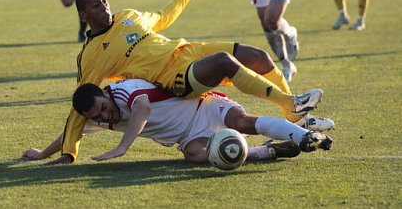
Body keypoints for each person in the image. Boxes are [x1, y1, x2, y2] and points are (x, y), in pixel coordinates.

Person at [53, 0, 333, 164]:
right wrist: (68, 152)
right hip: (171, 78)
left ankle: (293, 114)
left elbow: (162, 18)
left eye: (104, 1)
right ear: (82, 15)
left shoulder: (127, 16)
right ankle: (290, 104)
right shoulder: (91, 55)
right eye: (95, 5)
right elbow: (81, 104)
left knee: (257, 57)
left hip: (187, 51)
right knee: (224, 63)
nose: (104, 7)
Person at [22, 79, 332, 165]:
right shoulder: (99, 117)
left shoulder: (123, 90)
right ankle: (270, 151)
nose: (105, 116)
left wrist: (122, 147)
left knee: (243, 122)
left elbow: (142, 110)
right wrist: (41, 154)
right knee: (198, 155)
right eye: (97, 117)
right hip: (188, 137)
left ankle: (301, 134)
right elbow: (70, 133)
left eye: (103, 108)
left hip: (205, 106)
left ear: (105, 93)